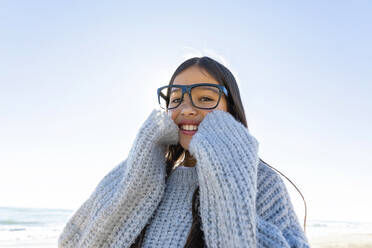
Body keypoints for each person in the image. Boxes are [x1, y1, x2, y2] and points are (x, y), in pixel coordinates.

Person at [58, 56, 310, 248]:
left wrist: (228, 194)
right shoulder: (141, 175)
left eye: (204, 98)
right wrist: (139, 173)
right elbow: (72, 242)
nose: (186, 108)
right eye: (176, 98)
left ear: (230, 109)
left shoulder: (262, 182)